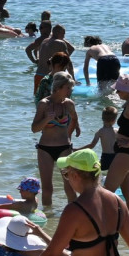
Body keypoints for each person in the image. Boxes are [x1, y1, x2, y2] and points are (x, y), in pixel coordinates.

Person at [32, 71, 80, 206]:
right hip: (45, 149)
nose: (70, 91)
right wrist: (47, 119)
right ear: (58, 88)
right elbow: (34, 128)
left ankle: (74, 213)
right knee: (47, 187)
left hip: (64, 148)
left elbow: (75, 118)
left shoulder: (69, 104)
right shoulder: (44, 104)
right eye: (68, 88)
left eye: (71, 88)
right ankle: (48, 218)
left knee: (70, 186)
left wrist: (70, 133)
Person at [106, 75, 129, 211]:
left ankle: (103, 223)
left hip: (127, 154)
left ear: (128, 91)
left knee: (106, 192)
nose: (117, 92)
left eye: (119, 90)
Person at [81, 106, 118, 173]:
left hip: (105, 157)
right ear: (114, 121)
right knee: (113, 174)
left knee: (97, 173)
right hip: (116, 157)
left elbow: (92, 145)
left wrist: (77, 149)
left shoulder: (100, 132)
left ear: (102, 118)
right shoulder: (117, 131)